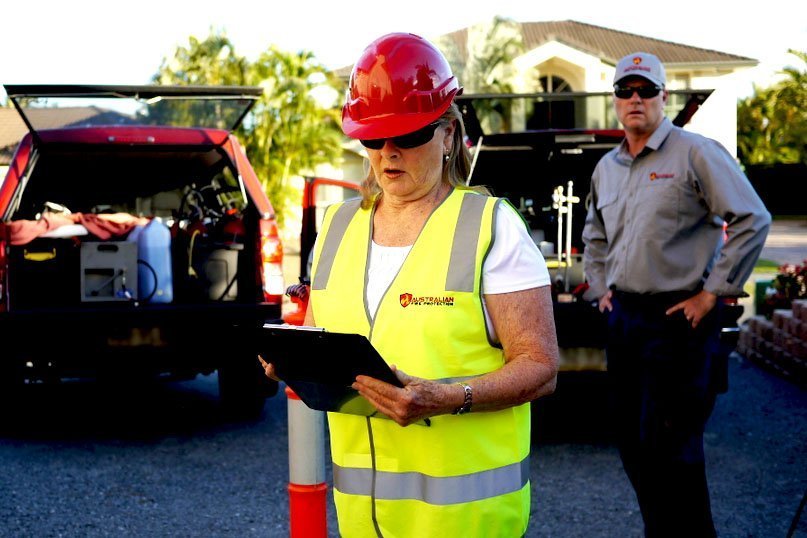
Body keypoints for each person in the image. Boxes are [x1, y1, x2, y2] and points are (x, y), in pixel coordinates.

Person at [260, 32, 559, 537]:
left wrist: (445, 398)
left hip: (467, 524)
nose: (389, 152)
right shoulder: (336, 227)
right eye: (374, 138)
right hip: (365, 522)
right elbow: (320, 343)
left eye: (409, 135)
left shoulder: (490, 226)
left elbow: (540, 367)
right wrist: (290, 362)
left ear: (448, 134)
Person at [582, 52, 771, 537]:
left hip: (679, 321)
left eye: (646, 90)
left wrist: (712, 295)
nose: (636, 99)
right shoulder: (606, 168)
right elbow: (595, 235)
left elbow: (753, 218)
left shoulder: (695, 153)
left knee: (676, 450)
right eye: (626, 91)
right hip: (626, 320)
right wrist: (601, 288)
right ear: (616, 101)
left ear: (664, 97)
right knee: (631, 443)